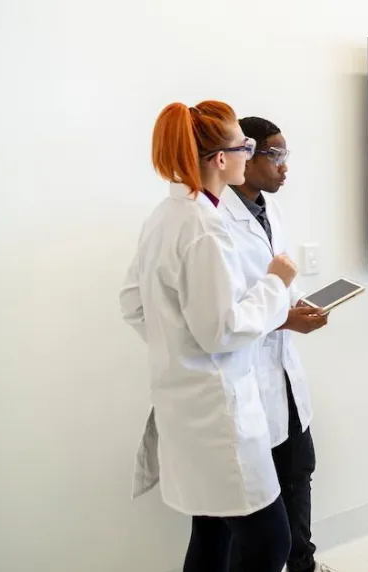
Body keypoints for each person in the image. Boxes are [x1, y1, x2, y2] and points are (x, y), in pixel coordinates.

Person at [119, 101, 298, 572]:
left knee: (212, 534)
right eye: (245, 147)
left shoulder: (167, 215)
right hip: (220, 413)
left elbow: (133, 302)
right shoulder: (205, 228)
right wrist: (276, 282)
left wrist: (177, 347)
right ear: (222, 159)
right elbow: (223, 330)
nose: (249, 155)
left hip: (185, 406)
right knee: (270, 544)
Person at [220, 117, 335, 572]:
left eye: (286, 156)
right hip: (244, 376)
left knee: (298, 471)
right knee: (247, 509)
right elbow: (224, 314)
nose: (284, 167)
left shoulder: (270, 209)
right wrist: (285, 317)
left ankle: (303, 565)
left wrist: (296, 306)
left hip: (281, 369)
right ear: (245, 155)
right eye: (275, 155)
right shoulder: (215, 220)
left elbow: (278, 282)